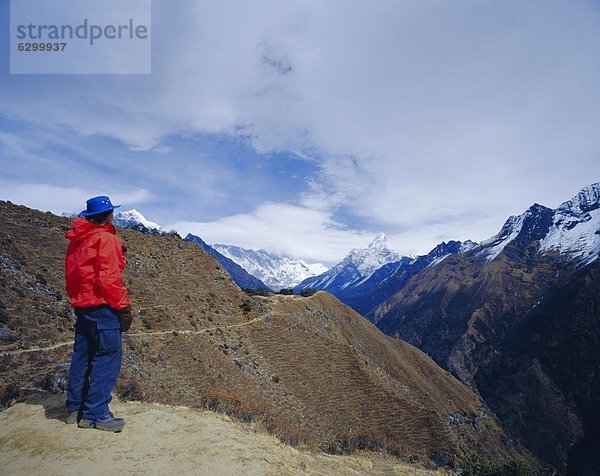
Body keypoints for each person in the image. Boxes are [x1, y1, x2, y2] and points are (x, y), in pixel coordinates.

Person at [64, 195, 134, 432]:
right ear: (108, 215)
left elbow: (73, 276)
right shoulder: (106, 239)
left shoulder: (78, 240)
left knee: (82, 357)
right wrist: (123, 307)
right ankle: (96, 414)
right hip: (104, 308)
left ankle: (75, 408)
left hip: (83, 308)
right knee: (107, 358)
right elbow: (109, 278)